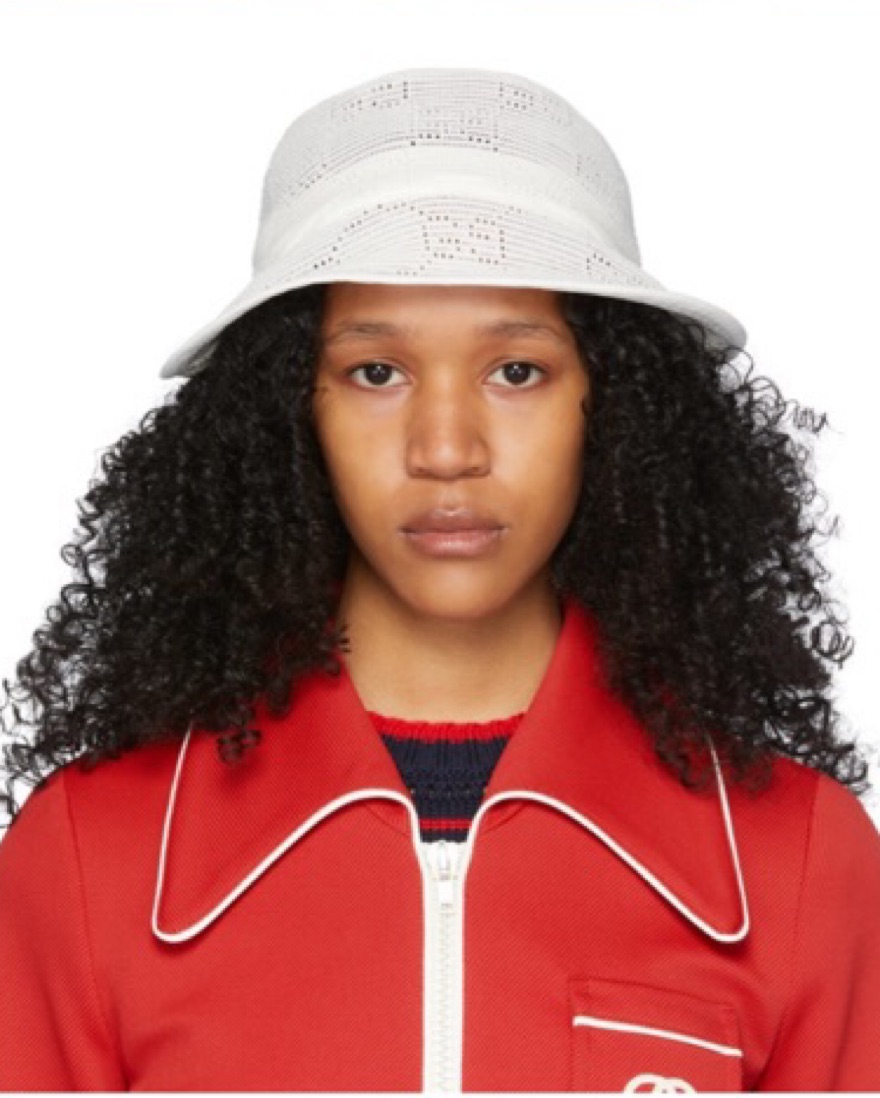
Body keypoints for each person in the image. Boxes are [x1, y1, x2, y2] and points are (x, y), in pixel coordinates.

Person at [1, 66, 878, 1093]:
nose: (447, 450)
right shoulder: (88, 859)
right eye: (376, 372)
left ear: (616, 405)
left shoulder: (800, 863)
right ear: (288, 411)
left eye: (517, 371)